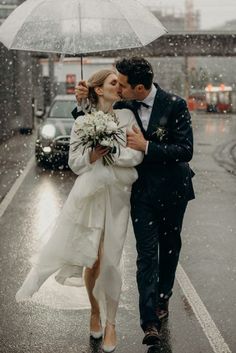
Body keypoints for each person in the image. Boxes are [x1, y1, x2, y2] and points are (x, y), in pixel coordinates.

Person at [15, 69, 143, 353]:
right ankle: (95, 311)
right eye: (113, 83)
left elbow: (137, 154)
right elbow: (75, 163)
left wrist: (113, 152)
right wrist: (92, 155)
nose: (118, 88)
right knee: (93, 260)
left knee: (111, 260)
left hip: (118, 196)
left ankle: (111, 324)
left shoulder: (126, 118)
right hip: (89, 196)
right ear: (99, 90)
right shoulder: (82, 122)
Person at [73, 57, 195, 346]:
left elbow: (186, 149)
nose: (120, 89)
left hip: (175, 190)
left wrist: (148, 146)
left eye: (124, 84)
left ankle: (163, 295)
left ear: (139, 88)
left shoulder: (175, 104)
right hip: (141, 194)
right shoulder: (124, 104)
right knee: (146, 255)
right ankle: (149, 320)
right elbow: (96, 117)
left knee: (170, 248)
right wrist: (82, 100)